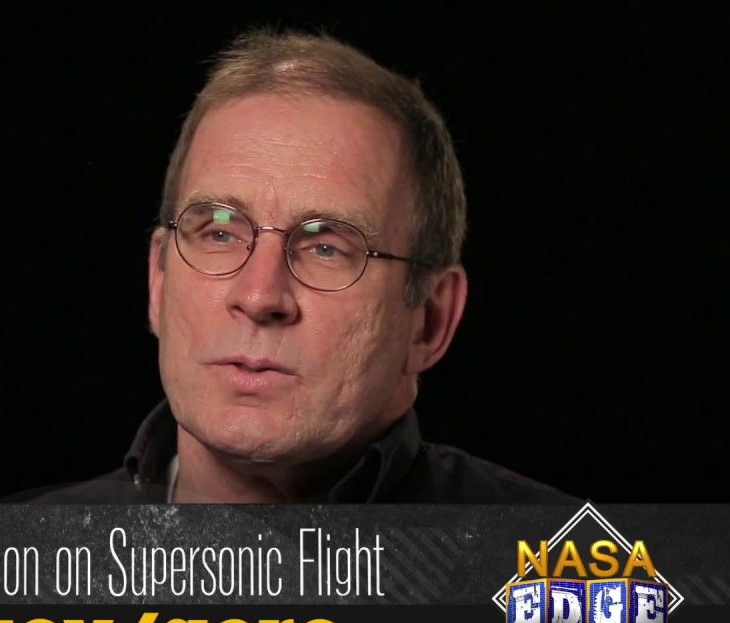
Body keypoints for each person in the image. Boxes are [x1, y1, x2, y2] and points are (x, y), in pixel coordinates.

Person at [37, 28, 570, 505]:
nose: (258, 297)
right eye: (219, 233)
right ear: (158, 279)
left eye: (327, 248)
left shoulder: (557, 569)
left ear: (430, 320)